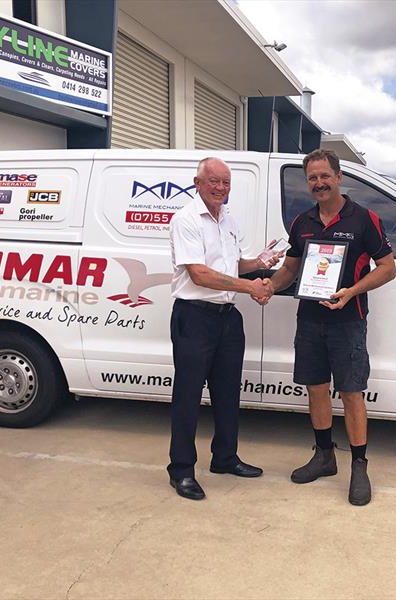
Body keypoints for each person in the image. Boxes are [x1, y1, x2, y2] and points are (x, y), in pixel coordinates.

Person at [264, 149, 396, 506]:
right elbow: (290, 268)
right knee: (317, 390)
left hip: (348, 321)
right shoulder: (302, 222)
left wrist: (351, 291)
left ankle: (359, 466)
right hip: (309, 320)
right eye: (312, 178)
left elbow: (388, 268)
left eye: (325, 176)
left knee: (352, 393)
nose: (319, 183)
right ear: (307, 182)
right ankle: (324, 456)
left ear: (339, 177)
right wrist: (268, 287)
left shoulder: (365, 219)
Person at [168, 157, 277, 501]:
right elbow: (200, 274)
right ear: (197, 182)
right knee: (187, 396)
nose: (220, 188)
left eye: (226, 183)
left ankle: (225, 458)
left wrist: (258, 264)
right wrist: (251, 287)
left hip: (227, 318)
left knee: (228, 393)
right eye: (213, 181)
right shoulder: (186, 219)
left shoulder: (227, 219)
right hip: (195, 317)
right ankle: (181, 470)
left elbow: (232, 265)